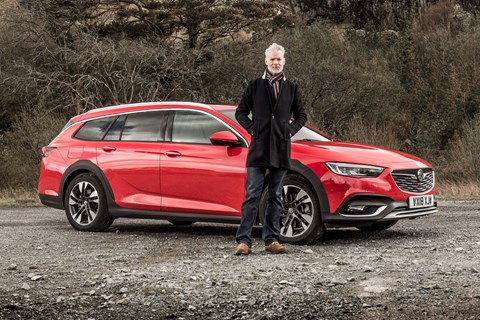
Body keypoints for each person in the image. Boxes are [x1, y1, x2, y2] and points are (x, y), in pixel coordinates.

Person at [234, 43, 307, 255]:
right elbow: (240, 112)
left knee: (276, 196)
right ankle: (244, 241)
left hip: (281, 148)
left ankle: (272, 240)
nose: (275, 63)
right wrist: (252, 128)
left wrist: (289, 131)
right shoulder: (254, 85)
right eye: (272, 59)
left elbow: (302, 115)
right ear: (266, 60)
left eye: (279, 59)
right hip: (258, 148)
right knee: (252, 195)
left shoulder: (292, 88)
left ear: (284, 61)